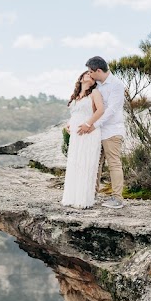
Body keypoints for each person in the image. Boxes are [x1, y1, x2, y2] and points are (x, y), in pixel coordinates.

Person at [85, 56, 126, 209]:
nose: (89, 75)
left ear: (99, 70)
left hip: (112, 130)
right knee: (96, 163)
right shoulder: (97, 86)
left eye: (91, 72)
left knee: (114, 164)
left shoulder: (116, 85)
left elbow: (112, 110)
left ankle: (117, 198)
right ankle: (92, 194)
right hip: (97, 131)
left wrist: (95, 125)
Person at [61, 69, 105, 208]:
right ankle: (71, 197)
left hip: (89, 132)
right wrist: (69, 124)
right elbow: (76, 114)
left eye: (92, 75)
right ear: (81, 79)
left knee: (86, 164)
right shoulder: (76, 96)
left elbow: (100, 110)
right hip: (76, 134)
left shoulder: (95, 93)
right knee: (75, 163)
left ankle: (83, 199)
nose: (90, 76)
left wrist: (88, 124)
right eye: (87, 74)